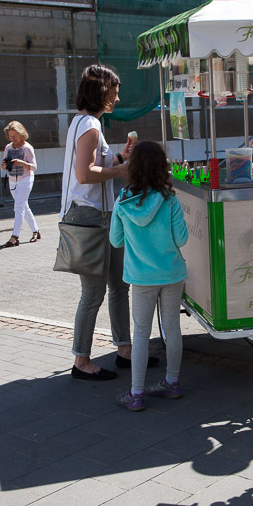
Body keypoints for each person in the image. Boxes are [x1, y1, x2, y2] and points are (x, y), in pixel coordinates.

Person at [60, 64, 143, 381]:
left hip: (99, 216)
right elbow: (85, 174)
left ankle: (125, 350)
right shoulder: (90, 126)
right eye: (115, 92)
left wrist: (120, 157)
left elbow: (94, 164)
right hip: (88, 217)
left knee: (120, 285)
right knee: (93, 294)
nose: (118, 99)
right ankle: (81, 361)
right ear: (102, 91)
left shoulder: (85, 122)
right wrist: (120, 171)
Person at [110, 142, 188, 411]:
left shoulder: (123, 200)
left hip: (141, 276)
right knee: (172, 329)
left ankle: (136, 394)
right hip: (171, 271)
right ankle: (173, 382)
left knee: (141, 333)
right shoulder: (170, 197)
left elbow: (116, 241)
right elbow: (182, 238)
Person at [0, 121, 41, 247]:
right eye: (10, 136)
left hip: (25, 179)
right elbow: (3, 167)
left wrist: (22, 163)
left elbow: (34, 167)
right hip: (12, 179)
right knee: (23, 206)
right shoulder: (8, 147)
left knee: (18, 206)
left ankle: (15, 236)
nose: (12, 138)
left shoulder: (27, 148)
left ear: (21, 134)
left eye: (15, 136)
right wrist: (4, 165)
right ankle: (36, 231)